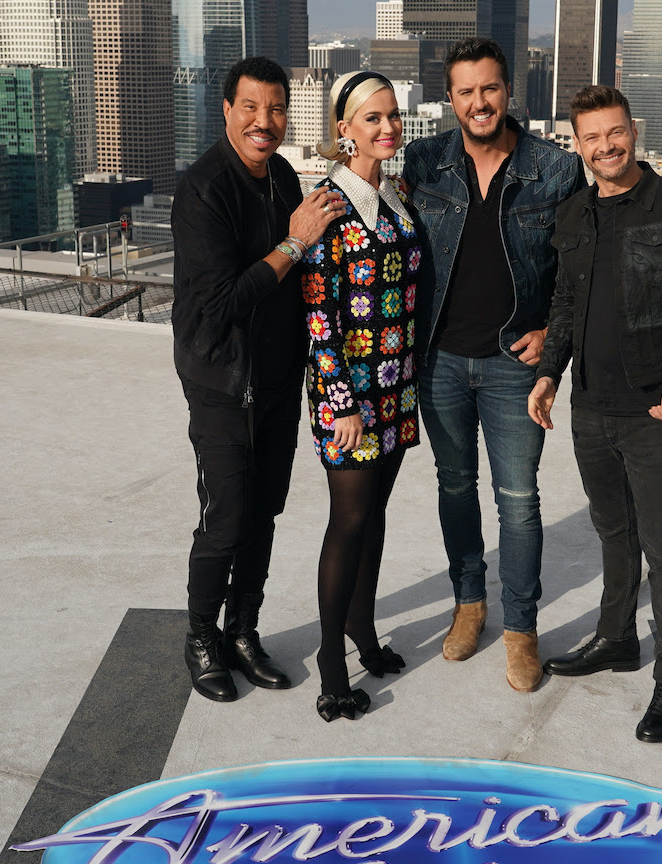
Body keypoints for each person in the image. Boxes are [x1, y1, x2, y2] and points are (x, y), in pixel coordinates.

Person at [528, 85, 662, 742]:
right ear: (577, 144)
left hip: (655, 411)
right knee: (613, 532)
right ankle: (615, 638)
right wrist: (549, 373)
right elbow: (563, 304)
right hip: (590, 408)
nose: (605, 146)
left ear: (633, 131)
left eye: (615, 132)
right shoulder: (574, 213)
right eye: (592, 137)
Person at [402, 37, 585, 692]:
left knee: (518, 501)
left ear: (508, 90)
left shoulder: (555, 169)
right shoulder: (424, 161)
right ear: (449, 98)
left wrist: (553, 339)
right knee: (455, 486)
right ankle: (469, 604)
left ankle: (521, 630)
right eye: (466, 91)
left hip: (514, 363)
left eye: (489, 88)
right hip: (440, 360)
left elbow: (577, 269)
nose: (479, 101)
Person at [172, 56, 346, 702]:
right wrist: (294, 243)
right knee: (226, 518)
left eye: (275, 108)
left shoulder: (280, 175)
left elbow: (305, 270)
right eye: (250, 107)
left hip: (275, 377)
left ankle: (242, 631)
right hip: (221, 378)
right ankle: (201, 637)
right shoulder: (203, 189)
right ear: (227, 110)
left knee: (265, 511)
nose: (263, 121)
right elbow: (222, 304)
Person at [303, 71, 421, 723]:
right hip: (347, 395)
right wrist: (341, 402)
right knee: (347, 521)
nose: (387, 127)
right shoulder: (327, 205)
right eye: (372, 118)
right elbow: (318, 317)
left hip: (395, 388)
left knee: (373, 516)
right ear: (343, 129)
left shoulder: (396, 197)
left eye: (393, 115)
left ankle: (363, 630)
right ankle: (330, 665)